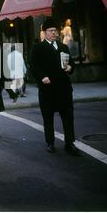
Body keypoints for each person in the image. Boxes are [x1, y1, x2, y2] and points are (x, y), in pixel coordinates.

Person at [30, 19, 80, 156]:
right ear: (44, 33)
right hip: (48, 89)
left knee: (68, 116)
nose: (54, 33)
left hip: (63, 89)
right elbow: (33, 66)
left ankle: (69, 143)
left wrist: (70, 67)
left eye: (55, 31)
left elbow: (71, 64)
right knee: (48, 117)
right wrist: (42, 77)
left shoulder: (63, 47)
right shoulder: (38, 48)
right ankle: (50, 143)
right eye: (51, 31)